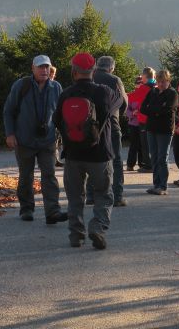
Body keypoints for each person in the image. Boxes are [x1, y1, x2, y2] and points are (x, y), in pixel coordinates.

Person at [53, 53, 123, 250]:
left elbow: (56, 120)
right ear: (93, 71)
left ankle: (76, 235)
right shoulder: (104, 92)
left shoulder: (66, 94)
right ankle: (98, 227)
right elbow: (120, 103)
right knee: (104, 194)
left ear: (74, 72)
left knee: (75, 197)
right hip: (99, 155)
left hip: (73, 155)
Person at [3, 55, 67, 224]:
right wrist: (10, 134)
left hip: (48, 140)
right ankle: (26, 209)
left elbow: (60, 114)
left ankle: (52, 211)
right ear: (33, 68)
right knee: (26, 176)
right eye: (40, 67)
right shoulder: (21, 86)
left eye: (47, 67)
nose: (44, 70)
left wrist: (65, 136)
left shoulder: (56, 87)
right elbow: (8, 110)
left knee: (50, 175)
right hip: (24, 140)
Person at [86, 55, 128, 207]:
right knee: (116, 160)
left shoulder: (90, 77)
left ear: (97, 66)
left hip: (92, 126)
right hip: (112, 124)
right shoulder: (115, 80)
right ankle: (117, 196)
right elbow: (124, 102)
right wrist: (118, 115)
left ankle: (90, 195)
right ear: (111, 67)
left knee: (92, 159)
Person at [140, 69, 178, 195]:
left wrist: (154, 110)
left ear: (168, 81)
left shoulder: (172, 94)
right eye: (159, 81)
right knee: (154, 157)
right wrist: (156, 110)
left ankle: (163, 186)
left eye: (164, 82)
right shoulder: (153, 91)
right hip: (151, 129)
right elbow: (143, 108)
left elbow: (166, 110)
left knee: (162, 158)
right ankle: (156, 184)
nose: (161, 84)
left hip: (165, 130)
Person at [131, 67, 156, 173]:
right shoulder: (156, 86)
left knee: (145, 144)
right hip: (154, 118)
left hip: (144, 119)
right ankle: (153, 163)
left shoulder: (144, 88)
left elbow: (133, 97)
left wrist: (121, 94)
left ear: (145, 76)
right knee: (154, 143)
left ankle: (148, 165)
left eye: (142, 75)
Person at [126, 76, 144, 171]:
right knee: (133, 145)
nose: (139, 85)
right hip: (133, 124)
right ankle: (130, 164)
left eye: (141, 83)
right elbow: (126, 110)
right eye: (138, 83)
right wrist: (132, 113)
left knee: (142, 145)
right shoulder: (131, 96)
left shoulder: (146, 94)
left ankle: (142, 164)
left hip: (143, 123)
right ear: (135, 85)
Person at [50, 65, 65, 168]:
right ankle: (51, 159)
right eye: (53, 74)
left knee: (56, 140)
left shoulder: (56, 85)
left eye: (54, 74)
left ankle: (55, 159)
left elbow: (61, 100)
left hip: (55, 114)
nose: (53, 76)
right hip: (50, 115)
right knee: (51, 139)